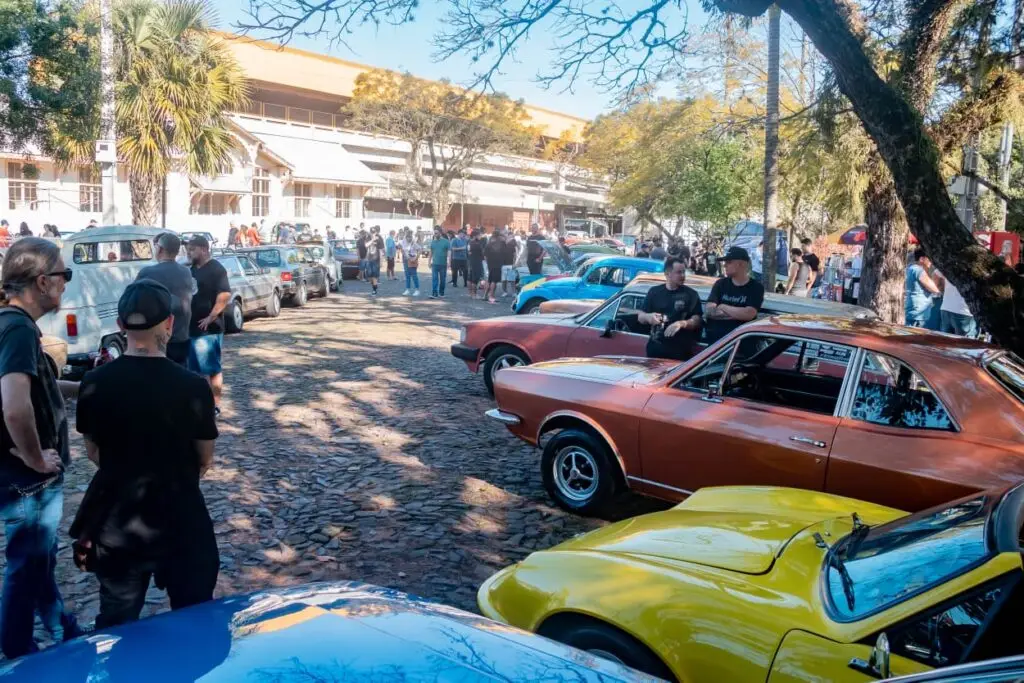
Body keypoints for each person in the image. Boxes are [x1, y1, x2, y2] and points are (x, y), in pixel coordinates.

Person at [71, 280, 219, 628]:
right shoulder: (193, 386)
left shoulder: (95, 382)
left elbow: (94, 451)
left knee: (118, 622)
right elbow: (205, 457)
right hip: (181, 518)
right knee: (194, 618)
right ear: (169, 323)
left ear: (120, 326)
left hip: (118, 522)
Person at [0, 237, 82, 658]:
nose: (66, 284)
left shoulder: (12, 325)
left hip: (24, 475)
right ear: (41, 280)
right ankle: (17, 651)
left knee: (38, 561)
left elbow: (38, 390)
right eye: (63, 275)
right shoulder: (15, 328)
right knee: (27, 564)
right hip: (29, 478)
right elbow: (14, 406)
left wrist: (91, 387)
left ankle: (63, 628)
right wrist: (33, 457)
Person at [186, 236, 230, 411]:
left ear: (204, 249)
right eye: (188, 250)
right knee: (193, 370)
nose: (189, 253)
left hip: (209, 328)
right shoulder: (190, 269)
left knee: (211, 368)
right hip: (190, 326)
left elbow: (225, 294)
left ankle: (215, 405)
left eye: (192, 250)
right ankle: (198, 404)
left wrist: (211, 316)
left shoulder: (216, 269)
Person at [137, 232, 194, 366]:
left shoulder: (148, 273)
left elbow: (135, 300)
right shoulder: (186, 272)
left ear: (160, 249)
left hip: (159, 339)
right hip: (182, 336)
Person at [638, 256, 703, 361]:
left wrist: (681, 324)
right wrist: (649, 317)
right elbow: (640, 316)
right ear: (668, 274)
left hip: (680, 353)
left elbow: (697, 320)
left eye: (684, 272)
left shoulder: (691, 294)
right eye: (679, 272)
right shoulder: (654, 292)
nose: (683, 276)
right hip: (655, 350)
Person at [704, 246, 765, 344]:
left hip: (741, 348)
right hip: (716, 348)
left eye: (728, 262)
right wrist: (737, 314)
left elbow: (749, 314)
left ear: (741, 264)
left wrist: (722, 306)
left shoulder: (756, 287)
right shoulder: (720, 284)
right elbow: (709, 310)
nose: (724, 265)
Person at [934, 270, 977, 338]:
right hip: (963, 311)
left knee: (944, 342)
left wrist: (942, 291)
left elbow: (936, 274)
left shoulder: (950, 261)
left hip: (946, 307)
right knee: (964, 345)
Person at [905, 249, 941, 328]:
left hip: (913, 309)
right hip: (918, 313)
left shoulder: (910, 268)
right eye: (929, 259)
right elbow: (933, 288)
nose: (931, 262)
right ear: (921, 259)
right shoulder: (918, 270)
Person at [429, 226, 451, 299]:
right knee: (434, 279)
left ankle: (441, 293)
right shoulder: (433, 242)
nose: (435, 234)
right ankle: (434, 293)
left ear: (440, 233)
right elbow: (431, 252)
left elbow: (449, 252)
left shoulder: (446, 242)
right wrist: (429, 261)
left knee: (442, 280)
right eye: (434, 233)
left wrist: (448, 261)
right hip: (435, 264)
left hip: (443, 264)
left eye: (436, 233)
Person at [484, 230, 505, 304]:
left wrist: (488, 263)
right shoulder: (501, 243)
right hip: (498, 264)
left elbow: (485, 256)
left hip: (490, 264)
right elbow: (505, 252)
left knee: (489, 280)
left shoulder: (488, 244)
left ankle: (485, 295)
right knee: (494, 281)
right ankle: (491, 296)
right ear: (499, 236)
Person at [399, 228, 421, 296]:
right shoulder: (403, 242)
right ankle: (408, 289)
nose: (409, 238)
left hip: (412, 261)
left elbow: (420, 249)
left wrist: (416, 258)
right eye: (408, 236)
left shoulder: (414, 243)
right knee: (407, 275)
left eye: (410, 236)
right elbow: (402, 249)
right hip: (405, 260)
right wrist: (404, 255)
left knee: (414, 275)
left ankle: (417, 290)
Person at [365, 227, 385, 296]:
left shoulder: (379, 238)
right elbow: (366, 245)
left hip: (376, 259)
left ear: (376, 232)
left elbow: (381, 250)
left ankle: (374, 290)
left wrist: (381, 261)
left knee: (374, 276)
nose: (373, 233)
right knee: (369, 276)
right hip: (369, 259)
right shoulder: (368, 238)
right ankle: (374, 285)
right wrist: (372, 240)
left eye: (374, 232)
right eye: (371, 232)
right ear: (370, 232)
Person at [467, 229, 486, 299]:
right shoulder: (477, 244)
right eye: (479, 235)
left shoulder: (469, 242)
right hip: (477, 263)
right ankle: (474, 295)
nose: (480, 236)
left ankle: (470, 293)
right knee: (475, 279)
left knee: (470, 279)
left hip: (471, 261)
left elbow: (468, 252)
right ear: (475, 236)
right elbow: (482, 255)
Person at [501, 230, 518, 298]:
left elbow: (515, 254)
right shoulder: (502, 243)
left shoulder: (513, 243)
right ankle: (505, 292)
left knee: (512, 279)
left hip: (510, 264)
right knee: (504, 280)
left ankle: (513, 292)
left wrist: (515, 263)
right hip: (503, 264)